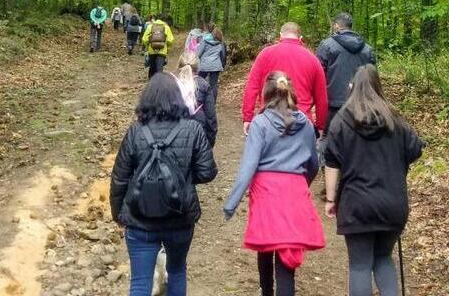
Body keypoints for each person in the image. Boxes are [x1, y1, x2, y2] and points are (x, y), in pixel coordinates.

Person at [110, 73, 218, 296]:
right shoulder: (193, 129)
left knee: (140, 281)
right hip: (180, 218)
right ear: (179, 98)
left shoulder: (135, 132)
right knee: (177, 271)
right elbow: (207, 172)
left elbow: (119, 178)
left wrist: (118, 214)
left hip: (140, 220)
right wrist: (183, 177)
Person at [323, 64, 424, 296]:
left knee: (359, 265)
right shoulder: (395, 120)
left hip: (357, 204)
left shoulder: (342, 121)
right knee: (383, 258)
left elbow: (331, 162)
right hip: (392, 203)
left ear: (352, 87)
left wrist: (330, 199)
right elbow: (415, 150)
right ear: (379, 87)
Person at [224, 72, 325, 296]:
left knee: (265, 244)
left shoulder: (260, 123)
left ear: (266, 94)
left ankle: (266, 291)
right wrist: (301, 183)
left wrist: (231, 203)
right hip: (295, 189)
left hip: (266, 191)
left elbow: (248, 166)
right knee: (286, 254)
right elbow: (313, 163)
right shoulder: (306, 124)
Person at [241, 22, 328, 136]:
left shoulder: (265, 54)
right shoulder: (312, 59)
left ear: (280, 35)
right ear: (300, 38)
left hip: (268, 120)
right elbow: (322, 97)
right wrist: (321, 126)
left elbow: (252, 87)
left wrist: (247, 117)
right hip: (301, 123)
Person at [316, 12, 376, 163]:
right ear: (351, 26)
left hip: (333, 102)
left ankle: (328, 172)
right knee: (357, 137)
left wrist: (317, 99)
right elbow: (373, 76)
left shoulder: (327, 45)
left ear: (336, 25)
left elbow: (318, 75)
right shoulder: (367, 49)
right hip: (360, 102)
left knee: (327, 137)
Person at [175, 52, 218, 147]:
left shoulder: (171, 84)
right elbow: (211, 117)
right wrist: (210, 141)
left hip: (174, 138)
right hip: (198, 137)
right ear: (198, 67)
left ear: (179, 65)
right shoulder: (204, 86)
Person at [197, 26, 226, 101]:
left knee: (199, 81)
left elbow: (199, 54)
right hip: (216, 66)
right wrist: (222, 65)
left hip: (204, 65)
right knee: (213, 85)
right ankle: (212, 102)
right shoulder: (221, 42)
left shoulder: (204, 39)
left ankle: (199, 98)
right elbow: (223, 55)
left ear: (212, 33)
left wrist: (196, 62)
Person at [142, 15, 174, 79]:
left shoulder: (150, 26)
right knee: (160, 67)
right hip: (162, 51)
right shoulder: (166, 27)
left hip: (152, 50)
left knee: (152, 66)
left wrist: (148, 45)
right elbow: (170, 40)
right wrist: (166, 45)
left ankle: (151, 80)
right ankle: (159, 81)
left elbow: (144, 39)